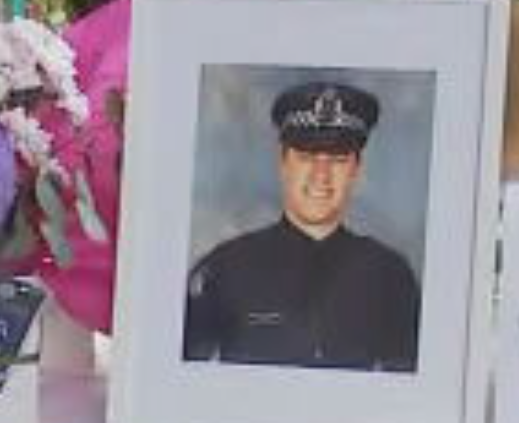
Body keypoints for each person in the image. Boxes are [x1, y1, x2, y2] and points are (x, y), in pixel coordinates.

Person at [181, 79, 424, 371]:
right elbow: (181, 385)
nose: (321, 175)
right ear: (283, 162)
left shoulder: (390, 276)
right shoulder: (223, 270)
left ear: (356, 170)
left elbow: (412, 399)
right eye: (307, 157)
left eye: (337, 159)